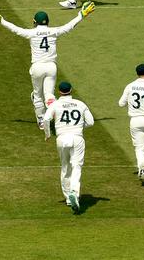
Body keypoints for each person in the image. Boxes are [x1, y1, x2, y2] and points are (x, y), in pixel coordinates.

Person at [0, 2, 95, 129]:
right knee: (49, 95)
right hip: (51, 67)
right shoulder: (54, 31)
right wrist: (82, 14)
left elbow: (14, 29)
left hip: (37, 67)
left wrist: (0, 19)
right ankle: (56, 115)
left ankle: (42, 121)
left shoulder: (31, 33)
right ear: (47, 21)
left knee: (37, 95)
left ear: (34, 22)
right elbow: (69, 26)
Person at [43, 81, 94, 214]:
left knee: (65, 167)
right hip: (77, 137)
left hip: (62, 138)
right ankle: (74, 193)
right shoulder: (80, 104)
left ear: (59, 92)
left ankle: (68, 198)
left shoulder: (55, 104)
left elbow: (46, 119)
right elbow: (91, 122)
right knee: (76, 166)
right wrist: (78, 128)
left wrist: (48, 134)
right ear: (71, 90)